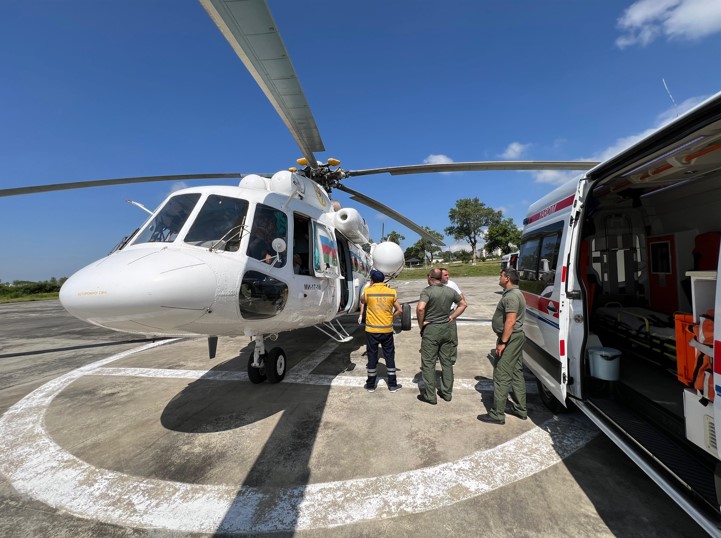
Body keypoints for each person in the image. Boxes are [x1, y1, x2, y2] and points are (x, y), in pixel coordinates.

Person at [478, 267, 528, 424]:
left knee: (501, 375)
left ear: (507, 278)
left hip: (510, 338)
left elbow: (510, 321)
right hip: (515, 337)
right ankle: (520, 409)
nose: (499, 278)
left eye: (501, 276)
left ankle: (497, 414)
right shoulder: (515, 294)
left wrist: (503, 342)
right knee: (516, 372)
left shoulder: (511, 297)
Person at [416, 268, 467, 404]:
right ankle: (447, 393)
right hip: (446, 329)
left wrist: (422, 324)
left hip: (432, 329)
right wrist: (452, 316)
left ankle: (430, 395)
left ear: (431, 278)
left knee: (428, 363)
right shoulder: (450, 291)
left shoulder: (427, 291)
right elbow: (463, 304)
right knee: (447, 362)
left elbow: (421, 308)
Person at [361, 270, 403, 392]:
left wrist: (370, 286)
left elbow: (362, 301)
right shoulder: (391, 292)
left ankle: (370, 385)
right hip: (387, 329)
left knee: (372, 356)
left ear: (372, 280)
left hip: (372, 330)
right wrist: (391, 317)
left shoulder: (368, 291)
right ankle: (393, 385)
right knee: (389, 356)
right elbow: (400, 310)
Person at [440, 267, 466, 365]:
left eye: (448, 274)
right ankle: (440, 356)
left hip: (450, 313)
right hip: (437, 314)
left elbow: (462, 299)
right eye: (445, 275)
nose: (448, 276)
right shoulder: (433, 285)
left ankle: (451, 359)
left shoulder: (452, 284)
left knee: (452, 337)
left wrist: (454, 314)